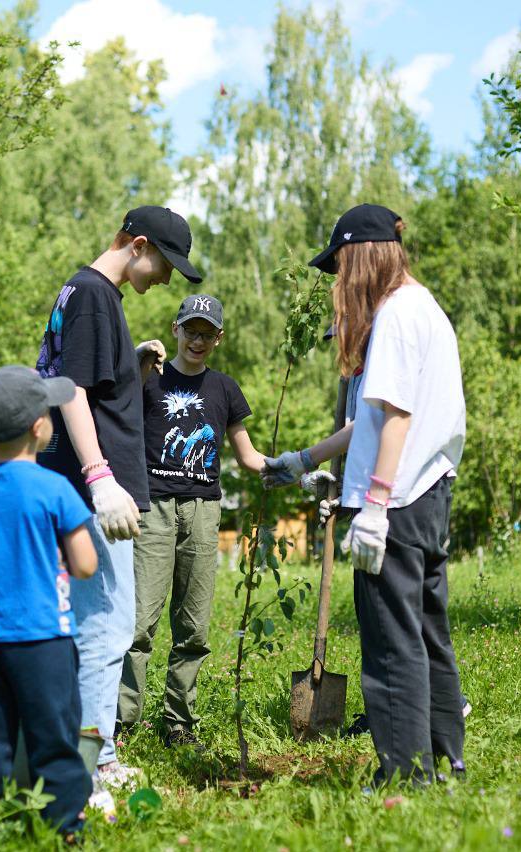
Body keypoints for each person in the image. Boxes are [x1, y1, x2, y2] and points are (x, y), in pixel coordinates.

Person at [272, 204, 467, 786]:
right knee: (427, 630)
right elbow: (370, 420)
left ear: (362, 256)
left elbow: (397, 416)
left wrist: (376, 506)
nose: (338, 279)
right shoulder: (422, 307)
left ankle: (406, 774)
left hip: (398, 502)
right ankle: (444, 759)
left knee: (390, 643)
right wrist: (304, 460)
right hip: (426, 495)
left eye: (339, 265)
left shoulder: (397, 316)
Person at [36, 205, 203, 786]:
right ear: (135, 245)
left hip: (86, 487)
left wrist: (129, 367)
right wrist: (100, 475)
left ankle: (80, 760)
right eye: (163, 263)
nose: (165, 278)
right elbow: (68, 388)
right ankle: (90, 767)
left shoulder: (88, 296)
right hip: (92, 493)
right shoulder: (92, 295)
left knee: (92, 626)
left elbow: (89, 380)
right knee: (106, 628)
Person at [0, 366, 99, 838]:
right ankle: (64, 826)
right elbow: (87, 564)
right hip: (42, 639)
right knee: (53, 737)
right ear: (39, 427)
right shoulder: (53, 488)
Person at [118, 294, 265, 749]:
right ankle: (122, 724)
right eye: (191, 330)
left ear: (219, 338)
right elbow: (114, 414)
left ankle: (178, 722)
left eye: (207, 333)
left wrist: (298, 469)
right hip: (153, 508)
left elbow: (249, 457)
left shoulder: (225, 389)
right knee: (140, 623)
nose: (197, 340)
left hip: (203, 512)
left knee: (194, 625)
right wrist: (138, 360)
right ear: (176, 328)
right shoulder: (149, 379)